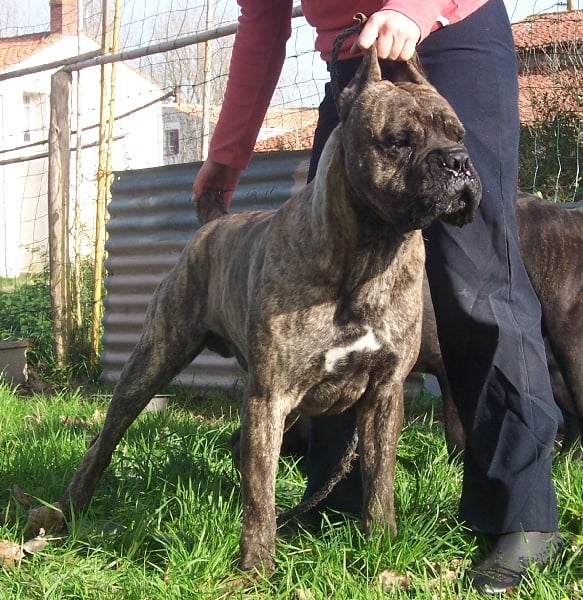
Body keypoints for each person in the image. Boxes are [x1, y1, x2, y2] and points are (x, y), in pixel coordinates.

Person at [192, 1, 563, 593]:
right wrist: (227, 153)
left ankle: (522, 516)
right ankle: (337, 498)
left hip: (453, 34)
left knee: (477, 280)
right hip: (353, 59)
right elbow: (263, 19)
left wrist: (414, 9)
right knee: (323, 270)